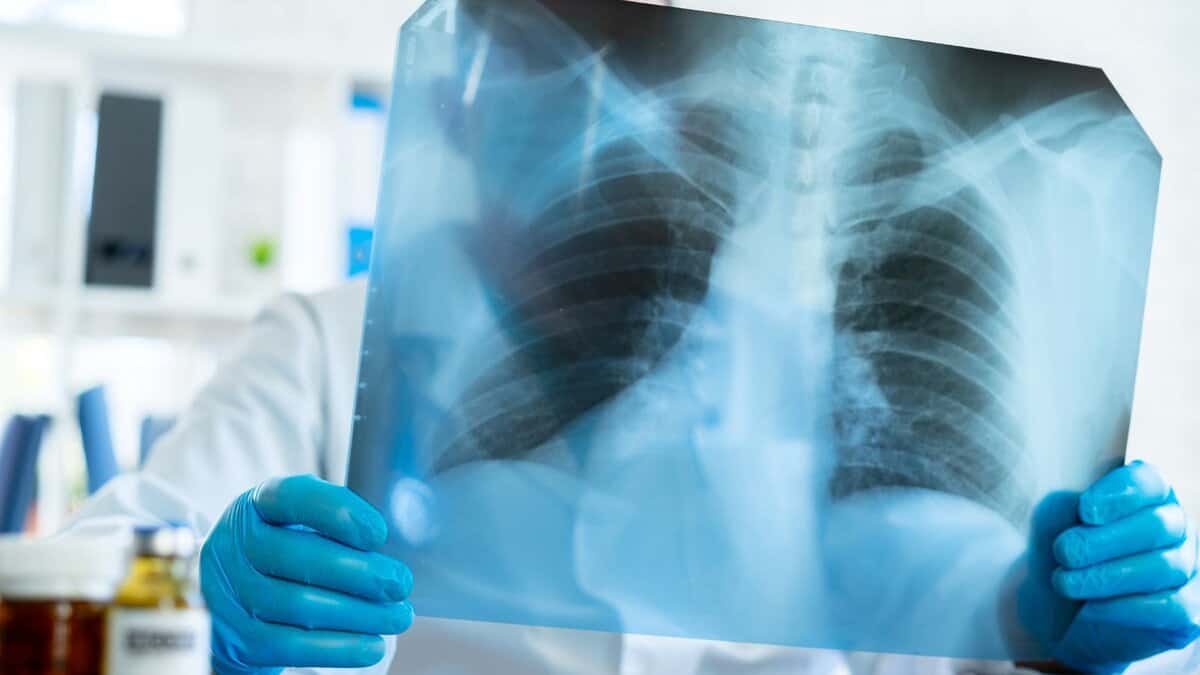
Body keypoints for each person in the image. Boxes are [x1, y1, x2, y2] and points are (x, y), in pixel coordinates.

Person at [70, 278, 1200, 675]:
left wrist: (1048, 634)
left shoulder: (813, 362)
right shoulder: (330, 342)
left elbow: (918, 601)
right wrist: (193, 609)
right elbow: (44, 617)